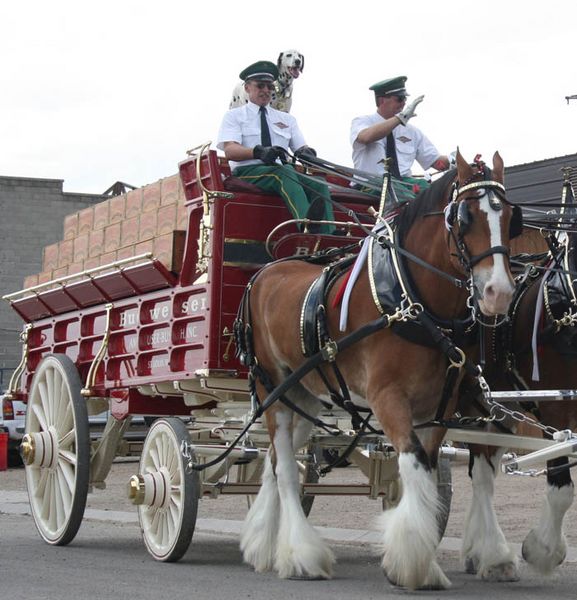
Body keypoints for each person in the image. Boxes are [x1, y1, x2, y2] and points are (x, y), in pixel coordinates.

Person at [217, 60, 335, 234]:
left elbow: (301, 148)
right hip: (249, 172)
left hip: (282, 171)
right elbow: (230, 150)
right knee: (283, 173)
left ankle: (329, 235)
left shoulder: (287, 119)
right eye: (261, 86)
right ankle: (307, 226)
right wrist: (257, 151)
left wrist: (307, 154)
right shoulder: (234, 116)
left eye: (270, 87)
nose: (266, 90)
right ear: (247, 88)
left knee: (318, 183)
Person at [350, 76, 449, 200]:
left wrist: (457, 161)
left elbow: (435, 160)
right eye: (399, 99)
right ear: (382, 100)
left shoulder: (412, 131)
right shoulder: (363, 122)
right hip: (371, 183)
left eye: (405, 99)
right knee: (400, 193)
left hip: (404, 182)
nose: (404, 104)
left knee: (434, 192)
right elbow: (366, 137)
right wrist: (399, 119)